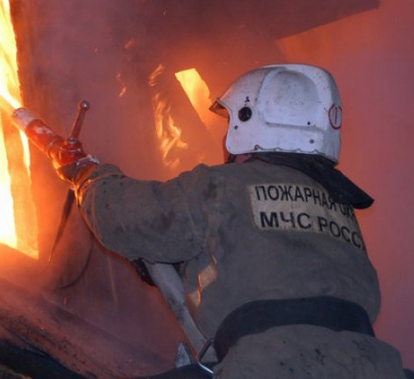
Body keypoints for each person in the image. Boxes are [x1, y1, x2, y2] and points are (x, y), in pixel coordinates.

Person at [55, 64, 407, 378]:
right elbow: (273, 273)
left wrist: (88, 175)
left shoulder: (221, 187)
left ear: (249, 121)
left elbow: (124, 216)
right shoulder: (341, 208)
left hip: (270, 365)